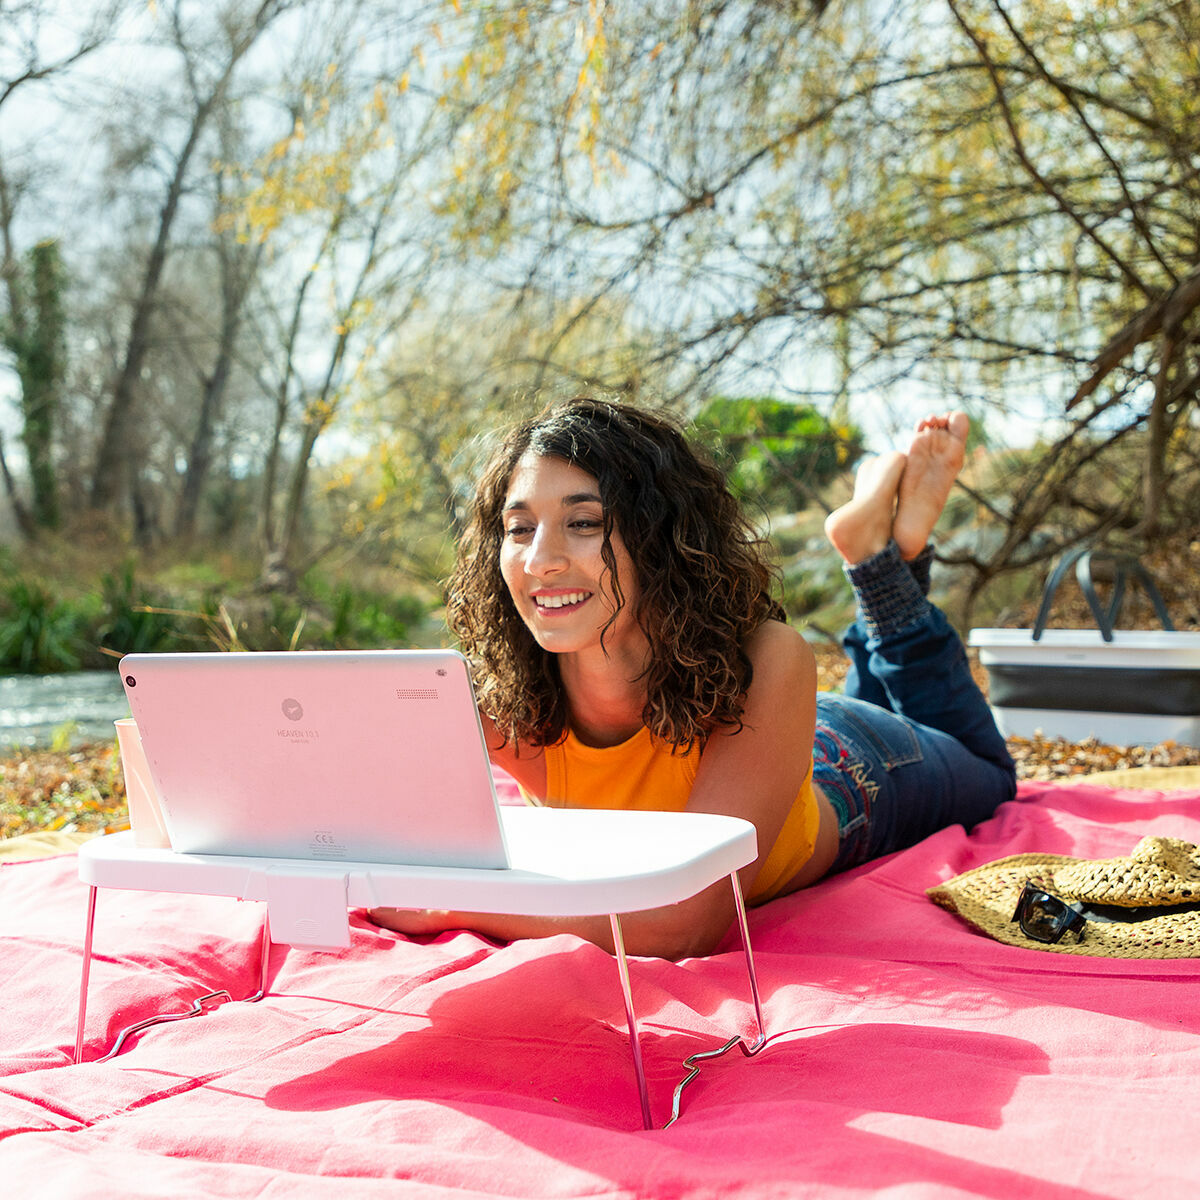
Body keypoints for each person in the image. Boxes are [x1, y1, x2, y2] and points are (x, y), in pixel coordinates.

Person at [369, 398, 1016, 959]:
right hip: (773, 751)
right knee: (881, 701)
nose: (541, 559)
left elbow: (687, 921)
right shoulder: (502, 703)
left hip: (851, 772)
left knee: (990, 774)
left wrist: (454, 906)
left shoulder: (767, 657)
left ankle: (879, 569)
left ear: (661, 538)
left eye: (584, 522)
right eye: (519, 528)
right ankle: (883, 552)